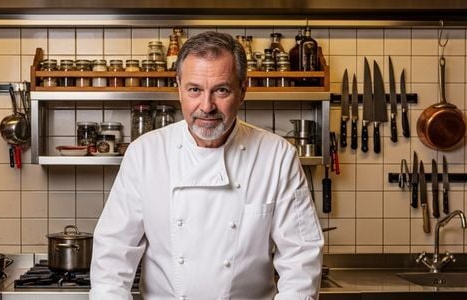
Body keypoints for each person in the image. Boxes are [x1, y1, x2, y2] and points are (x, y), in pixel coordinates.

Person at [90, 31, 323, 300]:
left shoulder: (277, 156)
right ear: (179, 88)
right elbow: (113, 258)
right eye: (194, 90)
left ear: (243, 90)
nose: (207, 106)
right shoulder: (145, 154)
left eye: (221, 90)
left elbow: (301, 260)